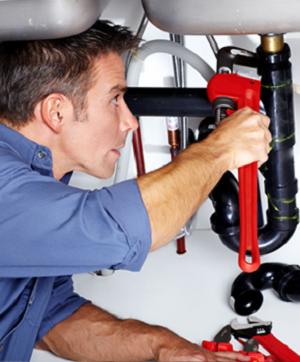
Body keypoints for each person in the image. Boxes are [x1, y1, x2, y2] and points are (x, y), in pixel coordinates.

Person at [0, 19, 271, 362]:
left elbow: (50, 318)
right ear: (56, 112)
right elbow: (118, 230)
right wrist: (220, 150)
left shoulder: (39, 181)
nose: (131, 121)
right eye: (115, 99)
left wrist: (164, 347)